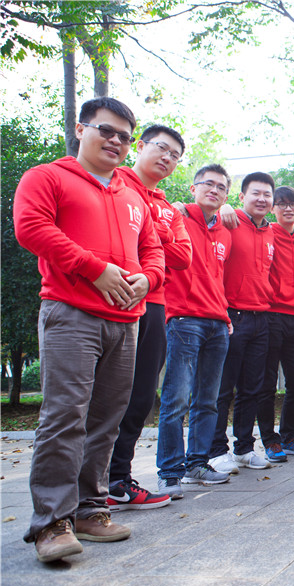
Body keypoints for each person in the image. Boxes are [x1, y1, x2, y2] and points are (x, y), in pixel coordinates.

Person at [14, 97, 165, 562]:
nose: (116, 141)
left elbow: (154, 250)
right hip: (71, 313)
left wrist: (149, 279)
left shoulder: (132, 196)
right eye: (106, 130)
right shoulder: (48, 177)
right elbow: (30, 227)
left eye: (125, 136)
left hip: (127, 322)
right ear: (81, 130)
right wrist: (93, 268)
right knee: (65, 416)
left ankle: (90, 510)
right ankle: (51, 522)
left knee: (106, 420)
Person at [106, 124, 190, 511]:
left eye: (175, 155)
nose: (167, 158)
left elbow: (182, 257)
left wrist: (155, 232)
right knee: (103, 395)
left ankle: (118, 479)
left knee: (141, 395)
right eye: (162, 148)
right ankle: (86, 484)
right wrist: (159, 233)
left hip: (154, 302)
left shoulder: (168, 207)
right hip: (111, 296)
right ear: (139, 146)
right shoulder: (114, 183)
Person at [156, 165, 234, 499]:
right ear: (193, 188)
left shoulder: (226, 232)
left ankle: (197, 464)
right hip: (184, 320)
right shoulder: (177, 217)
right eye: (208, 184)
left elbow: (217, 277)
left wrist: (225, 314)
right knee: (175, 399)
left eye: (221, 187)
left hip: (218, 323)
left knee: (208, 401)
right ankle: (169, 472)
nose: (214, 190)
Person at [209, 172, 276, 473]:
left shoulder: (270, 232)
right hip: (232, 316)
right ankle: (215, 450)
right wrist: (221, 207)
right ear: (242, 196)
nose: (261, 199)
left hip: (261, 317)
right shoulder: (228, 221)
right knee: (223, 388)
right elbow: (200, 216)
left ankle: (244, 448)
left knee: (252, 388)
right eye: (255, 193)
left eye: (267, 194)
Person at [258, 186, 294, 461]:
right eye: (281, 204)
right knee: (267, 382)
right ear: (273, 208)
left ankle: (289, 435)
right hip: (269, 315)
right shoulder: (265, 231)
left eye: (293, 203)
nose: (288, 208)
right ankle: (270, 441)